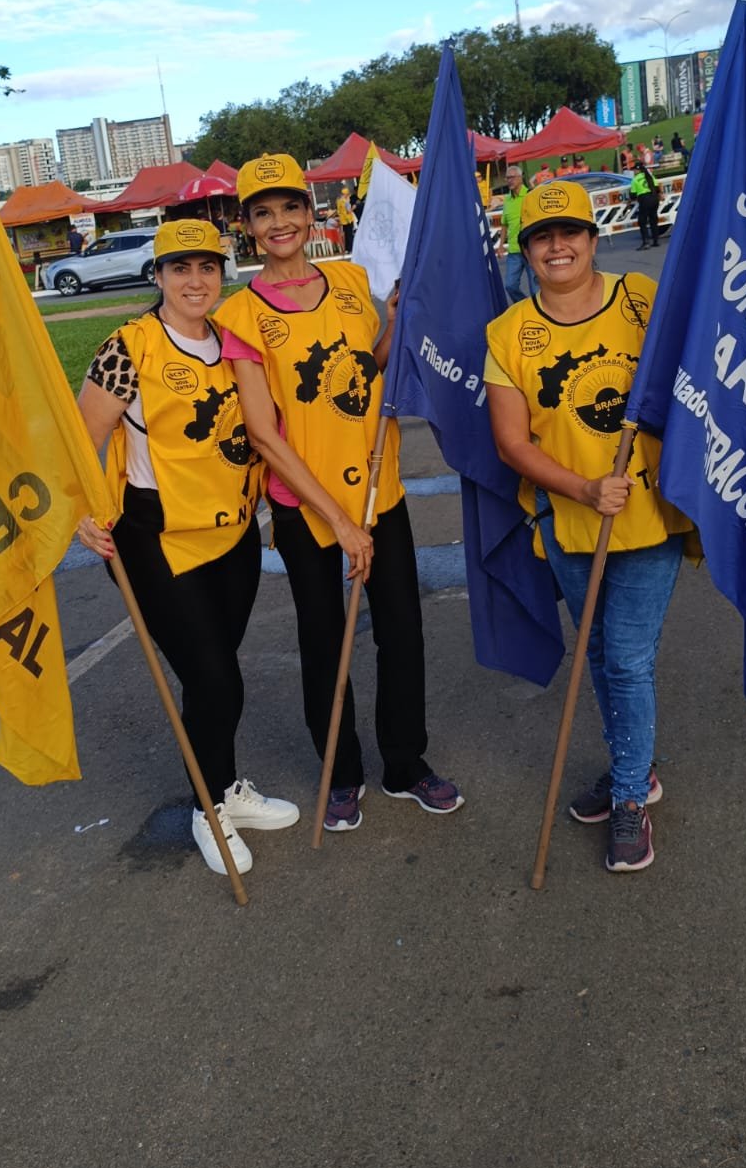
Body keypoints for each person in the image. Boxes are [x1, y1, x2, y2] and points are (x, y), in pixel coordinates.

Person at [219, 153, 464, 833]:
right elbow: (265, 435)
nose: (279, 223)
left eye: (289, 208)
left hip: (378, 493)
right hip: (308, 512)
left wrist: (393, 325)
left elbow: (369, 368)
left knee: (403, 633)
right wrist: (339, 523)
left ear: (310, 213)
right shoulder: (238, 315)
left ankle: (405, 763)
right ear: (247, 227)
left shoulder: (352, 280)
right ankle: (343, 772)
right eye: (262, 213)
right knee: (327, 640)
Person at [75, 218, 299, 877]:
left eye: (206, 267)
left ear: (222, 272)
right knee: (214, 676)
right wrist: (81, 513)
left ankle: (225, 785)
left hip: (232, 534)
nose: (195, 280)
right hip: (152, 538)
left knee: (216, 673)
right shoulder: (129, 347)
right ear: (159, 277)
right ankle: (211, 812)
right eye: (180, 269)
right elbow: (81, 440)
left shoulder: (235, 343)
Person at [485, 182, 691, 873]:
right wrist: (582, 488)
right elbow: (514, 444)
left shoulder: (641, 298)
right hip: (570, 524)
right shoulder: (507, 334)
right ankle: (638, 766)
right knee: (600, 656)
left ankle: (631, 797)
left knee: (628, 661)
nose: (558, 246)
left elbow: (695, 379)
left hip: (650, 516)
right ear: (528, 251)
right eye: (543, 237)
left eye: (571, 232)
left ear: (593, 239)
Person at [499, 163, 532, 304]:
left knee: (536, 287)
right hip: (513, 251)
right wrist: (501, 245)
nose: (509, 181)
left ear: (520, 178)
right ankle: (525, 305)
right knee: (510, 286)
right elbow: (504, 224)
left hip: (530, 249)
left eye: (512, 177)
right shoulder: (507, 200)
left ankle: (540, 311)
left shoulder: (530, 196)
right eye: (507, 178)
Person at [629, 160, 660, 250]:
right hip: (654, 198)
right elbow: (657, 188)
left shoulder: (635, 180)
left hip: (645, 199)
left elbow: (633, 195)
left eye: (634, 170)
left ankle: (646, 242)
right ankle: (656, 241)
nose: (634, 172)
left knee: (642, 221)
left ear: (637, 170)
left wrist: (630, 199)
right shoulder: (649, 175)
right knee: (653, 219)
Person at [336, 185, 356, 253]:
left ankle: (347, 249)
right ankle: (351, 249)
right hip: (348, 220)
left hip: (343, 220)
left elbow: (339, 211)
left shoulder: (339, 201)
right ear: (346, 194)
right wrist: (353, 207)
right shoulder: (346, 201)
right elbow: (348, 211)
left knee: (346, 235)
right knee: (350, 235)